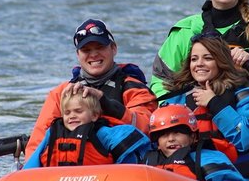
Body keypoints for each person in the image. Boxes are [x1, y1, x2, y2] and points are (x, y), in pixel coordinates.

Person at [159, 33, 249, 181]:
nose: (199, 64)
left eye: (207, 58)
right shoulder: (177, 99)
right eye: (194, 59)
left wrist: (214, 103)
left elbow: (247, 137)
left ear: (221, 61)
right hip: (187, 179)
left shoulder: (247, 98)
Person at [24, 18, 158, 162]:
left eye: (100, 47)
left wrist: (105, 103)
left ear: (113, 48)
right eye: (86, 50)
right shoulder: (62, 93)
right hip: (69, 172)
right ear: (78, 55)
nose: (93, 55)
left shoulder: (133, 88)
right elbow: (37, 142)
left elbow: (148, 127)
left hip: (118, 172)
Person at [143, 104, 249, 181]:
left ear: (193, 137)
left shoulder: (208, 158)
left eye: (177, 132)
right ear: (157, 143)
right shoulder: (149, 161)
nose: (170, 139)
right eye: (163, 135)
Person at [24, 89, 151, 168]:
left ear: (95, 115)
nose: (72, 116)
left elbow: (132, 146)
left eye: (78, 111)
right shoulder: (53, 132)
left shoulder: (102, 133)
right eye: (67, 113)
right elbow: (33, 162)